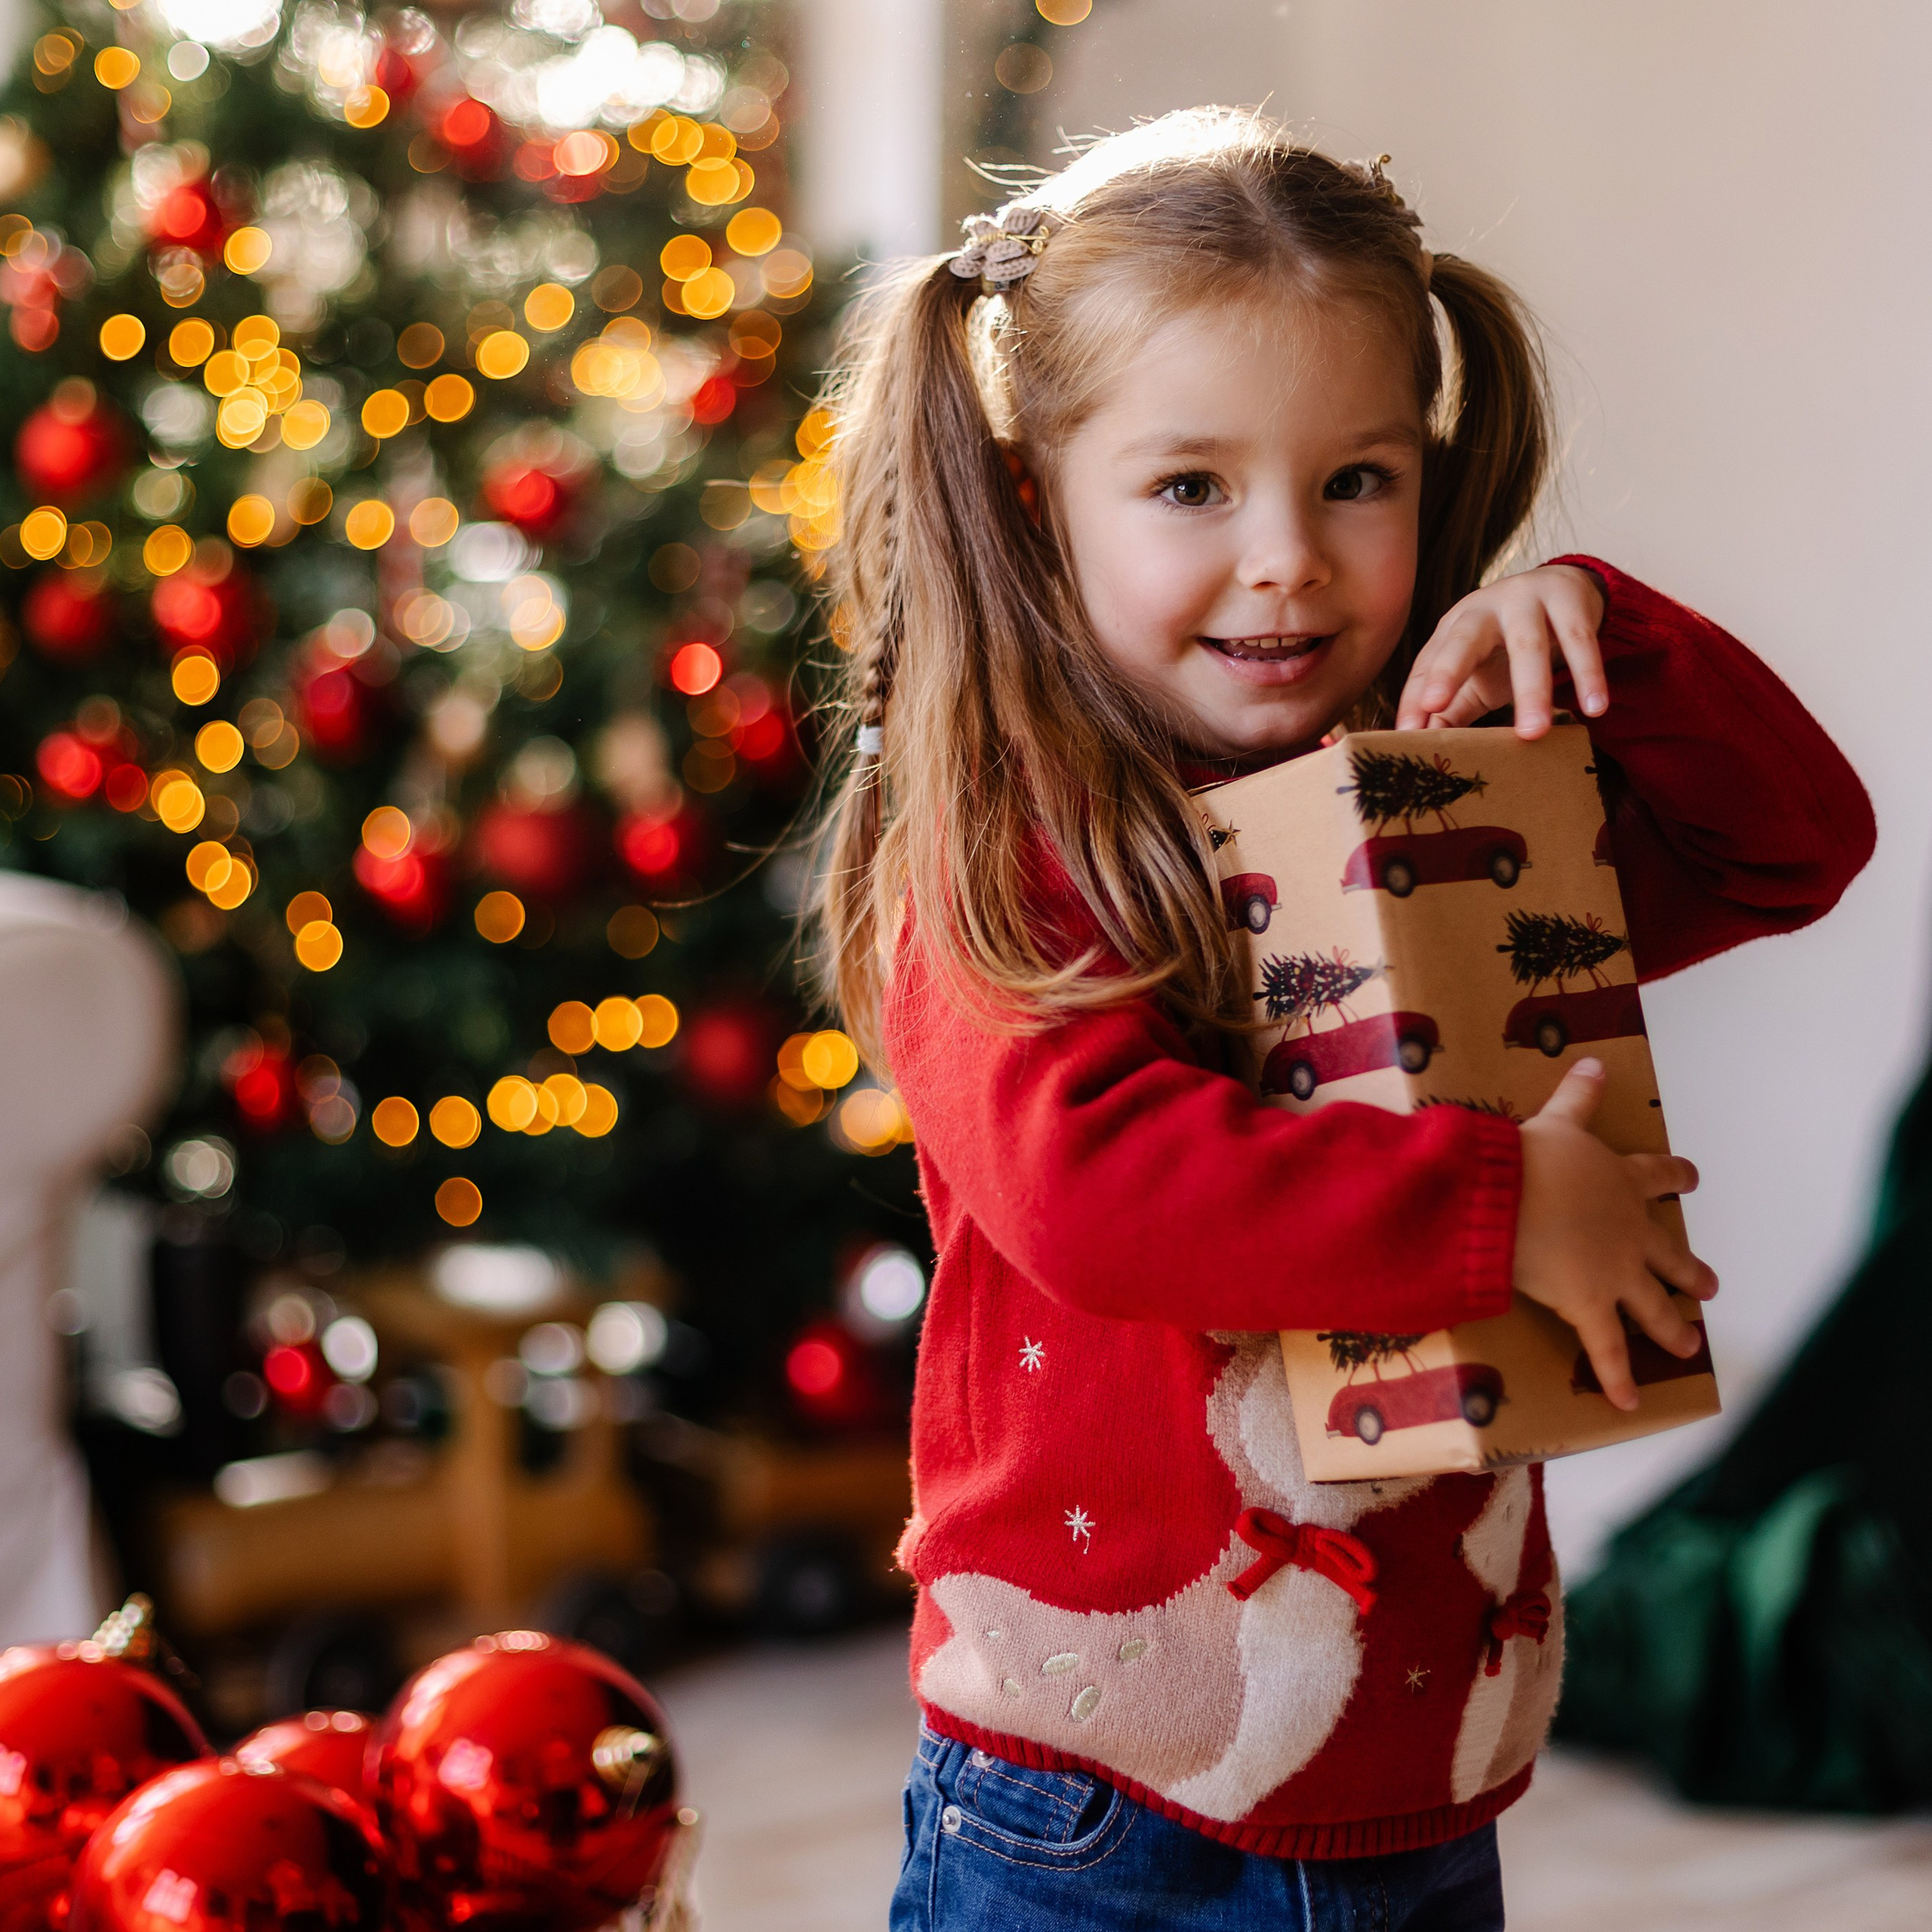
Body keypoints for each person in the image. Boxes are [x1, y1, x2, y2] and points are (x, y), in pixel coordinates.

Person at [804, 109, 1875, 1930]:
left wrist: (1595, 628)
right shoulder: (1003, 861)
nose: (1288, 557)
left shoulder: (1438, 821)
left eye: (1354, 479)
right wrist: (1495, 1204)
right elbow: (1097, 1189)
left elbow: (1787, 845)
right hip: (1088, 1801)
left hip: (1412, 1772)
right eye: (1190, 487)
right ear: (1027, 498)